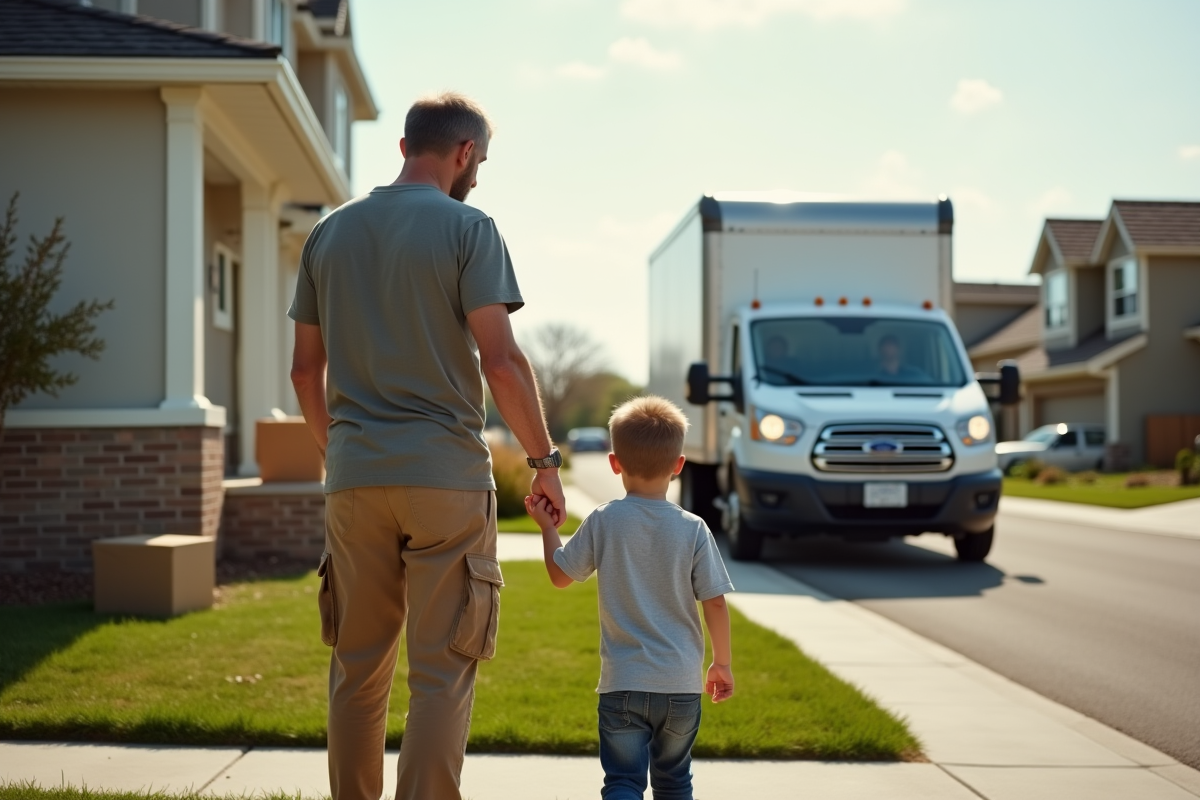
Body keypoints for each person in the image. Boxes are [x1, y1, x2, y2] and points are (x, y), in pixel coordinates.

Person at [288, 92, 566, 800]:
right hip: (444, 478)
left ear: (406, 144)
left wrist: (337, 454)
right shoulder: (470, 228)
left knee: (357, 667)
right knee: (442, 670)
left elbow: (302, 370)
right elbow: (501, 362)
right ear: (464, 152)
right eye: (482, 161)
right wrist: (544, 463)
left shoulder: (329, 233)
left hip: (354, 479)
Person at [526, 396, 735, 800]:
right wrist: (721, 664)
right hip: (680, 686)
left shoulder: (605, 519)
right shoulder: (693, 528)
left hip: (622, 684)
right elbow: (715, 601)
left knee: (622, 783)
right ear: (678, 465)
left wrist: (547, 527)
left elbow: (560, 575)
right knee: (674, 782)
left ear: (614, 462)